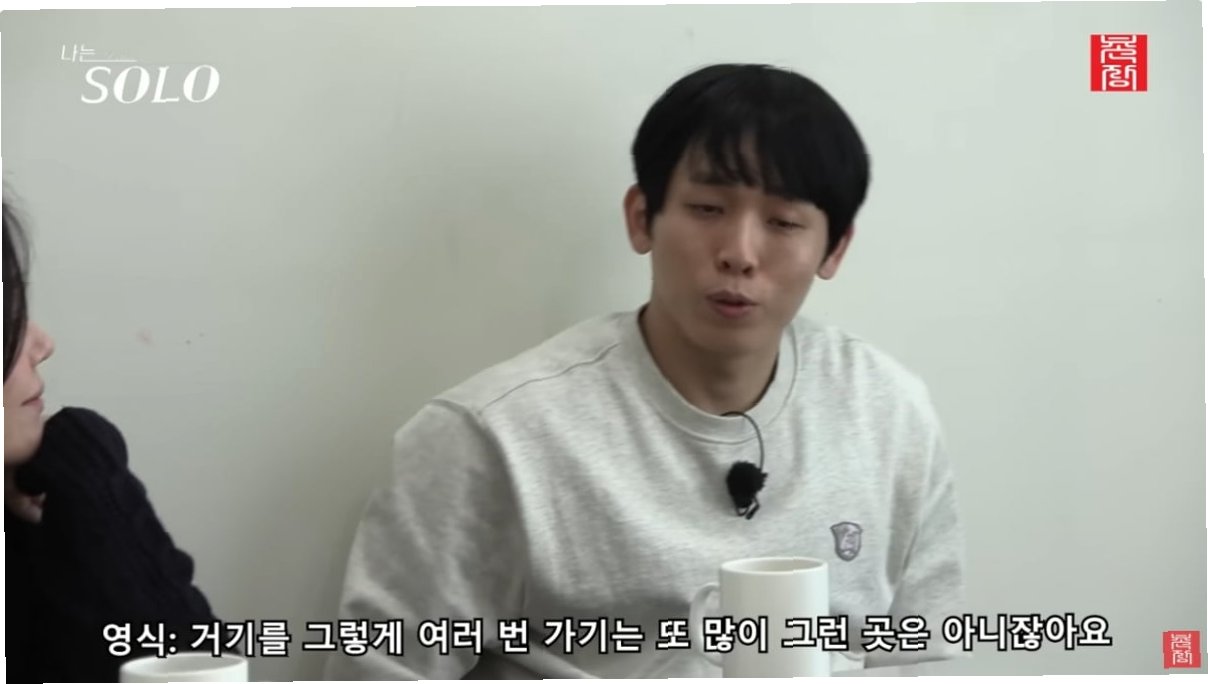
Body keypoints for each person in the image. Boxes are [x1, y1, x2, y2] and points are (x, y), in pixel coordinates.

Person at [326, 63, 966, 679]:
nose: (739, 253)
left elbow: (924, 658)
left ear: (834, 248)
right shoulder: (490, 436)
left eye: (783, 222)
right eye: (708, 208)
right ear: (641, 218)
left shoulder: (888, 416)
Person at [4, 199, 222, 683]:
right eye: (7, 317)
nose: (42, 344)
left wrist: (85, 487)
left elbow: (193, 664)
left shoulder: (27, 508)